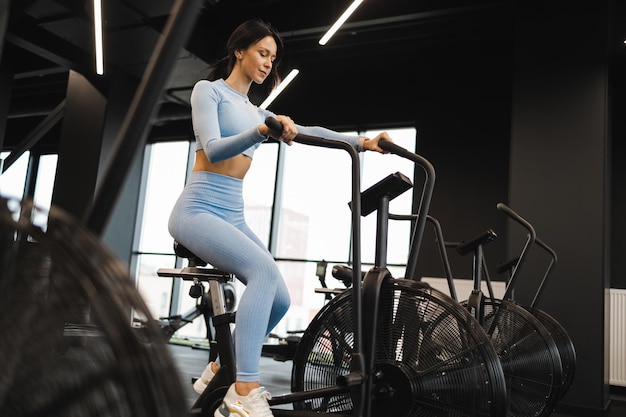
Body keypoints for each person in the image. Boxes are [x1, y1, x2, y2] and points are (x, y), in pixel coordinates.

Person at [168, 18, 393, 417]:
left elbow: (311, 132)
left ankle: (223, 365)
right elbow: (214, 148)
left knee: (281, 297)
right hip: (198, 208)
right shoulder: (210, 92)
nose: (268, 62)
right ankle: (242, 389)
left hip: (232, 212)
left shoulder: (257, 110)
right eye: (262, 53)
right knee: (264, 274)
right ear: (239, 50)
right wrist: (261, 131)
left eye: (273, 57)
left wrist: (364, 142)